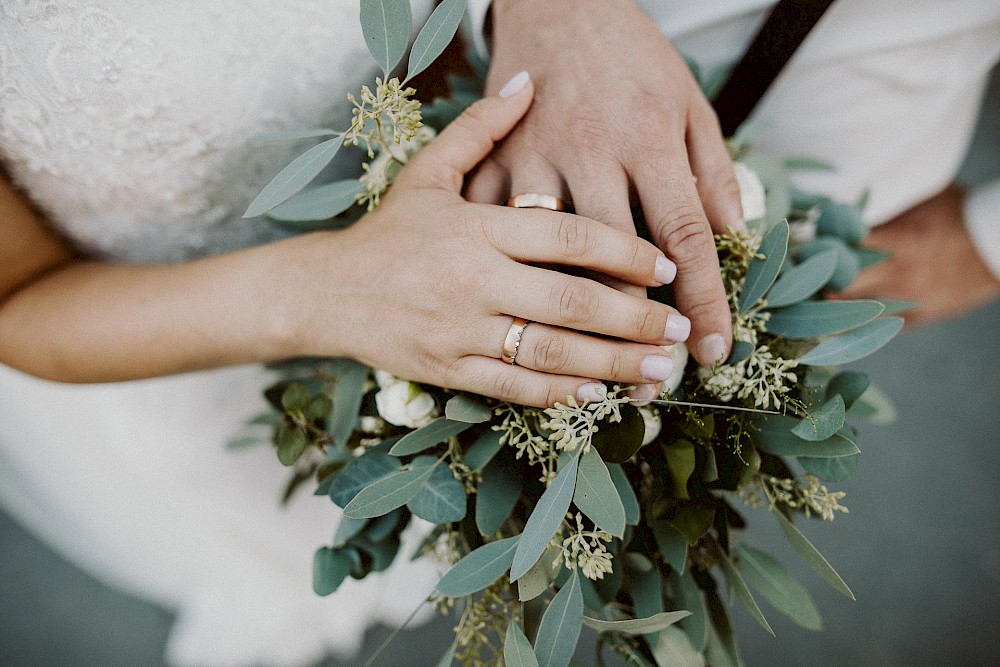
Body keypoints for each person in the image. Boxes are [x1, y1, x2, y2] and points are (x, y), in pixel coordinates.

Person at [2, 1, 999, 666]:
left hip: (500, 82)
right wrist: (331, 291)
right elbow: (16, 300)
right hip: (166, 306)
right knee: (294, 495)